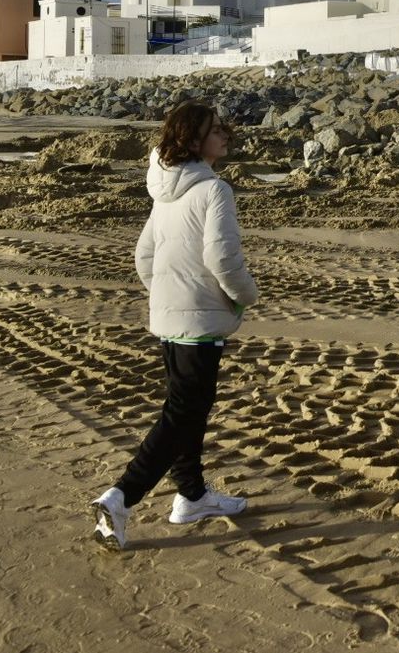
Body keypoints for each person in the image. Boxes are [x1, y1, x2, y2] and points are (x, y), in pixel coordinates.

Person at [91, 102, 259, 551]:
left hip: (170, 318)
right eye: (215, 129)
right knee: (182, 413)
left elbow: (144, 256)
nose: (225, 134)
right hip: (199, 319)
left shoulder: (165, 191)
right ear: (193, 139)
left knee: (189, 409)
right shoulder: (213, 190)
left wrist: (166, 297)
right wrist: (246, 295)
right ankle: (121, 498)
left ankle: (191, 495)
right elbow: (222, 258)